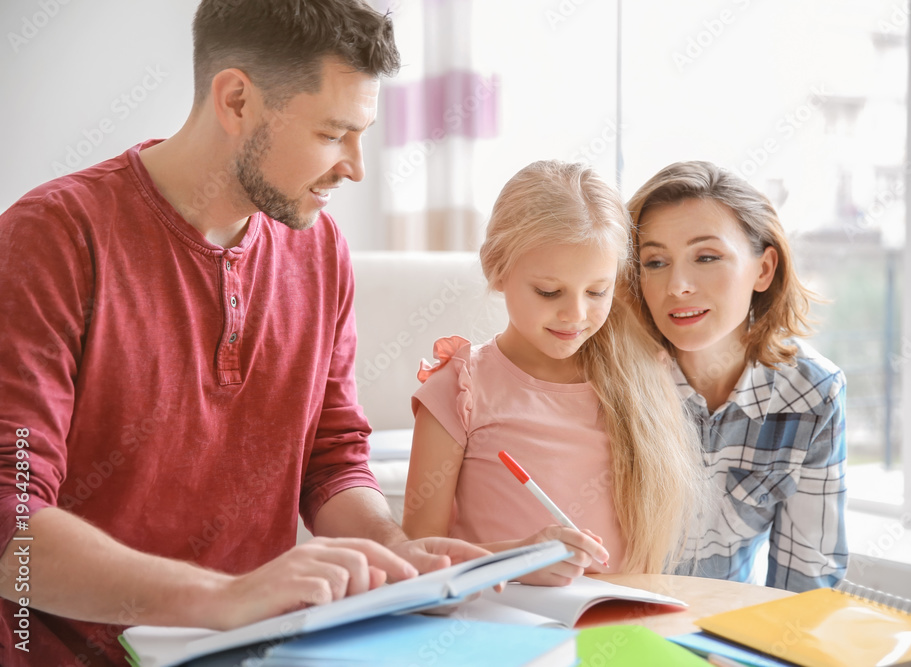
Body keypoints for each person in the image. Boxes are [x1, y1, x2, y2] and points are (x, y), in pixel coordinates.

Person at [0, 2, 487, 665]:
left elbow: (332, 453)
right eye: (332, 133)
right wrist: (222, 596)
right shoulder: (52, 236)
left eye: (363, 134)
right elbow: (10, 526)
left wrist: (393, 550)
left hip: (253, 650)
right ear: (235, 101)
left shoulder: (320, 252)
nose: (356, 167)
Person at [402, 160, 705, 584]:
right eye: (549, 291)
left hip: (611, 627)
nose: (575, 314)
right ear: (497, 269)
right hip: (497, 629)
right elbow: (417, 559)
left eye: (597, 291)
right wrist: (518, 560)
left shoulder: (644, 377)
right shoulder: (458, 388)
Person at [626, 160, 848, 592]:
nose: (678, 285)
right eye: (655, 262)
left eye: (706, 257)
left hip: (725, 644)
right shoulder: (612, 381)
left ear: (764, 269)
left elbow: (807, 585)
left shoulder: (813, 392)